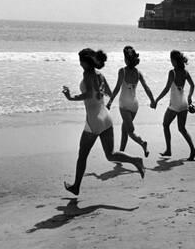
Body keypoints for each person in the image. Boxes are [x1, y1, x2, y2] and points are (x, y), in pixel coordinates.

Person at [62, 48, 145, 195]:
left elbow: (88, 94)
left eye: (80, 60)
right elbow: (109, 92)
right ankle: (136, 160)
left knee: (82, 155)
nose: (79, 63)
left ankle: (76, 187)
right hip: (106, 118)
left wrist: (70, 97)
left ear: (86, 62)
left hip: (94, 120)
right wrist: (100, 91)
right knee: (110, 154)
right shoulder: (100, 75)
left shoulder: (87, 74)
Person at [107, 46, 154, 157]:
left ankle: (142, 143)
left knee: (130, 131)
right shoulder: (138, 73)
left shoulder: (122, 71)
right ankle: (121, 153)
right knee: (125, 130)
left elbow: (117, 88)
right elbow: (146, 87)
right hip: (134, 105)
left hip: (124, 105)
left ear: (127, 59)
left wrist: (110, 102)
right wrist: (152, 100)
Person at [152, 50, 195, 161]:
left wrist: (156, 99)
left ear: (175, 60)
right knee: (182, 129)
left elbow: (167, 89)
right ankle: (193, 149)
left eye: (171, 59)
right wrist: (190, 97)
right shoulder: (185, 72)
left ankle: (168, 150)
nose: (170, 61)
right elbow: (192, 85)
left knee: (165, 124)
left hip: (175, 104)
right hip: (184, 104)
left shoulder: (172, 72)